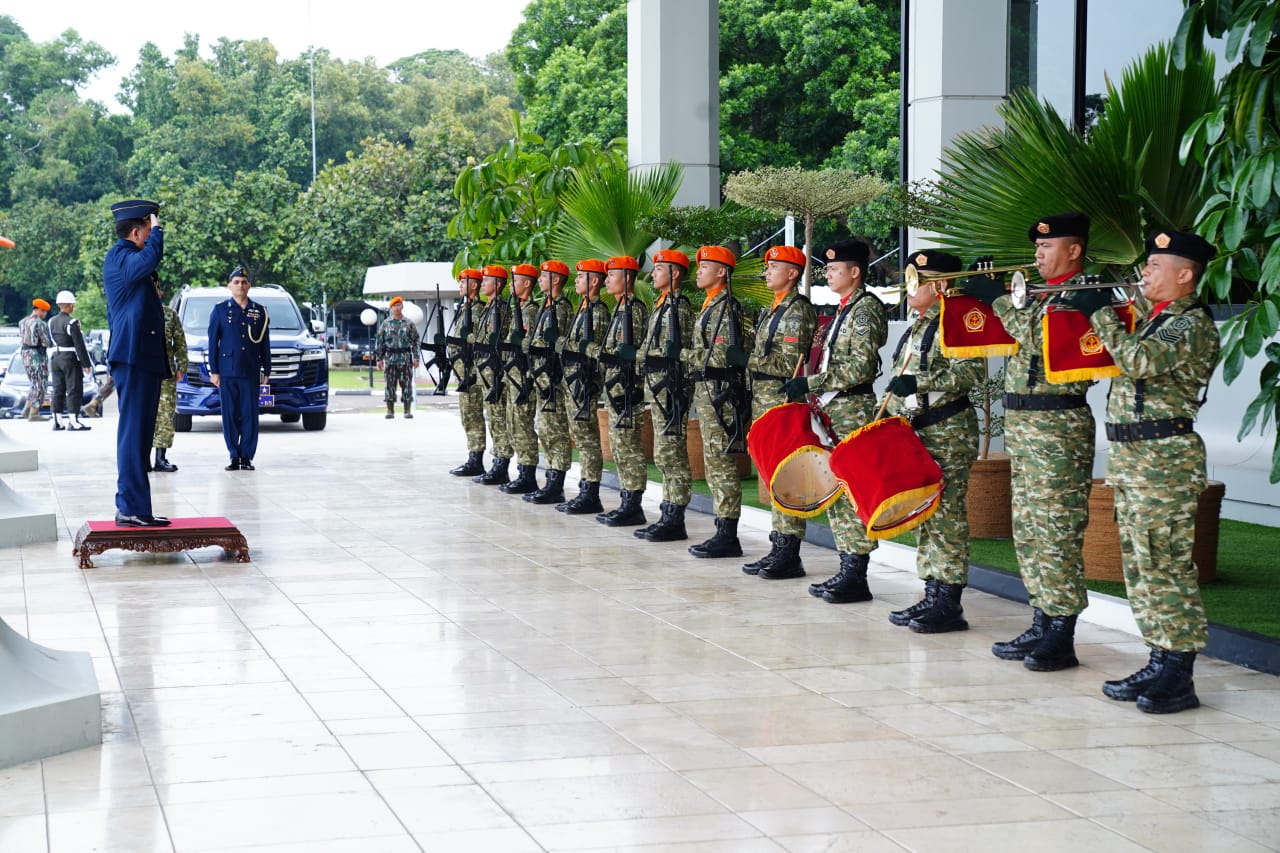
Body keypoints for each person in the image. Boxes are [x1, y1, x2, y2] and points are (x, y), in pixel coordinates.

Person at [1072, 230, 1220, 714]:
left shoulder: (1189, 323)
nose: (1145, 273)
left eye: (1156, 266)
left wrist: (1100, 315)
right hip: (1135, 458)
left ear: (1185, 275)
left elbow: (1138, 362)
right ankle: (1159, 659)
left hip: (1165, 460)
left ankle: (1178, 672)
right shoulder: (1154, 319)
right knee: (1140, 565)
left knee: (1165, 563)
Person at [986, 213, 1096, 671]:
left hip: (1058, 425)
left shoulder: (1086, 293)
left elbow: (1035, 336)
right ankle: (1041, 620)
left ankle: (1061, 634)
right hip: (1025, 425)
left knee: (1056, 530)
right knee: (1030, 529)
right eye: (1036, 247)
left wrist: (999, 301)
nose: (1038, 254)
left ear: (1074, 250)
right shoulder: (1038, 294)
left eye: (1047, 247)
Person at [781, 239, 887, 602]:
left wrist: (810, 383)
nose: (827, 274)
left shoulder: (865, 309)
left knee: (851, 488)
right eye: (826, 269)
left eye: (834, 269)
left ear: (855, 272)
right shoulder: (844, 308)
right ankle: (847, 567)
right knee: (837, 490)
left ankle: (857, 574)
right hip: (833, 407)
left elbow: (860, 368)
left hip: (851, 407)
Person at [883, 251, 983, 631]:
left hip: (948, 431)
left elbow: (971, 372)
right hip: (918, 430)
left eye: (917, 280)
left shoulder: (955, 320)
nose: (909, 288)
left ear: (940, 284)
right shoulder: (919, 325)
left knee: (947, 517)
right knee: (927, 515)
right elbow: (899, 379)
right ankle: (932, 592)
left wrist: (919, 383)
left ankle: (949, 602)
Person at [742, 245, 817, 578]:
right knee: (772, 475)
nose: (767, 272)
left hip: (781, 401)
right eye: (768, 266)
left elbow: (789, 363)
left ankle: (789, 553)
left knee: (786, 475)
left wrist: (746, 360)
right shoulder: (773, 308)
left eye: (774, 267)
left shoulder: (797, 311)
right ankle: (778, 546)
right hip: (764, 400)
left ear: (792, 273)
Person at [102, 199, 169, 526]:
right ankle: (129, 506)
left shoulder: (129, 259)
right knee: (133, 433)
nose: (151, 233)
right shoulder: (120, 256)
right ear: (136, 232)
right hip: (132, 356)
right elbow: (149, 258)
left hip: (141, 356)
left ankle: (137, 507)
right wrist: (158, 234)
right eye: (148, 228)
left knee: (141, 435)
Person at [685, 245, 753, 558]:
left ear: (722, 272)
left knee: (721, 463)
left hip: (720, 392)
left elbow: (722, 356)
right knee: (714, 463)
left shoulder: (727, 307)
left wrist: (684, 355)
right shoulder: (711, 305)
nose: (698, 271)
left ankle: (728, 534)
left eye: (705, 266)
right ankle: (722, 529)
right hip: (708, 391)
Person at [635, 248, 696, 541]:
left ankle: (675, 518)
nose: (653, 274)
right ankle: (667, 512)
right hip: (658, 388)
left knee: (672, 454)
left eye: (660, 269)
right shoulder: (661, 305)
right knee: (663, 453)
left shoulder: (678, 308)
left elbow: (678, 354)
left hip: (671, 388)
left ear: (675, 274)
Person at [595, 256, 651, 526]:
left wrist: (636, 388)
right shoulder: (619, 309)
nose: (607, 280)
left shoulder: (633, 310)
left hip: (627, 389)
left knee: (629, 448)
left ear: (627, 278)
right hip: (615, 388)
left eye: (612, 275)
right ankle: (626, 500)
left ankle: (633, 505)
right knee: (619, 447)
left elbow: (635, 353)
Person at [556, 259, 611, 514]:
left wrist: (563, 344)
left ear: (595, 281)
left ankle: (590, 493)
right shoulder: (583, 308)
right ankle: (584, 489)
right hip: (573, 381)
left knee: (587, 439)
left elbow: (591, 350)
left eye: (582, 277)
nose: (576, 281)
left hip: (584, 382)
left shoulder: (597, 311)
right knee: (579, 436)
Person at [208, 266, 271, 471]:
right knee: (230, 415)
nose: (240, 285)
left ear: (249, 286)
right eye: (236, 282)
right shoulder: (220, 310)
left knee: (250, 414)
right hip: (227, 371)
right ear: (229, 286)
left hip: (250, 370)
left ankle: (247, 456)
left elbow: (265, 343)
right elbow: (213, 342)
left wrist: (267, 370)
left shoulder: (259, 311)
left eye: (244, 282)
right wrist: (214, 371)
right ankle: (234, 456)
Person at [524, 259, 575, 504]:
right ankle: (550, 480)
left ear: (555, 280)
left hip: (553, 378)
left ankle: (556, 485)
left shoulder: (561, 308)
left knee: (556, 432)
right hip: (541, 377)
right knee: (545, 431)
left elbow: (557, 346)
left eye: (544, 276)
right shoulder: (546, 306)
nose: (540, 280)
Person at [498, 264, 543, 495]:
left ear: (527, 283)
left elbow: (530, 345)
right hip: (512, 376)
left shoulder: (530, 311)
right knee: (514, 424)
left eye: (516, 281)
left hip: (523, 377)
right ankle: (521, 471)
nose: (511, 285)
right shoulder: (518, 308)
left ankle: (528, 476)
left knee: (523, 426)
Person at [472, 265, 513, 485]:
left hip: (495, 371)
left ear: (497, 284)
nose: (483, 284)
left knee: (498, 418)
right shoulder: (489, 308)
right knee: (492, 417)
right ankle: (497, 461)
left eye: (487, 280)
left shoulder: (501, 309)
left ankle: (501, 465)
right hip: (484, 370)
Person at [447, 269, 488, 476]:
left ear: (474, 285)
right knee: (467, 415)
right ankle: (472, 456)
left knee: (473, 415)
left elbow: (478, 341)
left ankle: (476, 460)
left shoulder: (478, 310)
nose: (460, 286)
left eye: (464, 282)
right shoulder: (465, 308)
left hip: (472, 372)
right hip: (462, 371)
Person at [151, 276, 187, 471]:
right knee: (142, 417)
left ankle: (160, 458)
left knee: (165, 415)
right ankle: (141, 458)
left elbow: (180, 342)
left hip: (166, 373)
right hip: (143, 374)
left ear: (160, 292)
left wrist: (182, 366)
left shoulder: (170, 315)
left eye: (155, 288)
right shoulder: (135, 313)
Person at [47, 291, 93, 431]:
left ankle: (57, 421)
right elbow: (79, 345)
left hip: (55, 358)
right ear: (71, 306)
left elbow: (49, 341)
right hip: (69, 358)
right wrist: (86, 364)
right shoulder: (72, 322)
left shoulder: (51, 321)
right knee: (74, 389)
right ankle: (73, 421)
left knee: (58, 389)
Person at [375, 295, 420, 419]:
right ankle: (390, 410)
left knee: (406, 384)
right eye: (394, 306)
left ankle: (407, 410)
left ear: (402, 306)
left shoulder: (409, 323)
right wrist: (379, 359)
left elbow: (415, 341)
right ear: (391, 308)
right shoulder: (385, 324)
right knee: (389, 384)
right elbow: (380, 342)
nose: (396, 308)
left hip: (405, 357)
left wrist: (416, 357)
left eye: (398, 305)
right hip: (390, 357)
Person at [18, 298, 52, 421]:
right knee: (41, 383)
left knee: (34, 383)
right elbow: (46, 342)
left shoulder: (22, 322)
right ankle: (34, 412)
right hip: (37, 355)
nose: (45, 314)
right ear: (40, 310)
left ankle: (26, 411)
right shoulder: (40, 323)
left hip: (25, 354)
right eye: (45, 312)